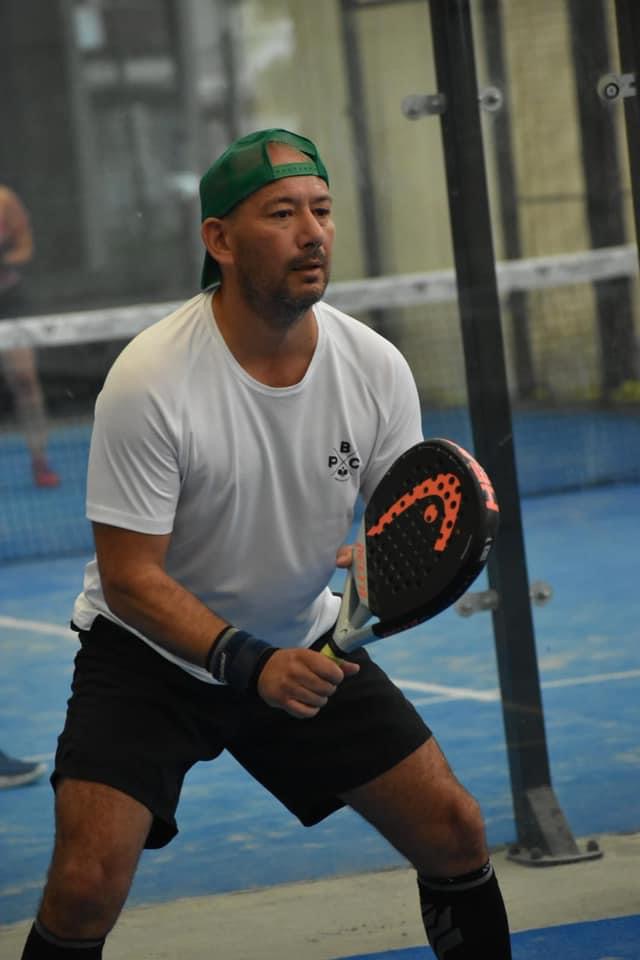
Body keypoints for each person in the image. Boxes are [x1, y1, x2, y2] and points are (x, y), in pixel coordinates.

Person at [20, 129, 511, 959]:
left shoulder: (374, 366)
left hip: (304, 639)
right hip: (148, 659)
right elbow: (130, 578)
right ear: (219, 239)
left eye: (321, 210)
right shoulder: (150, 380)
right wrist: (249, 663)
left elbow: (399, 515)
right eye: (282, 214)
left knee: (455, 830)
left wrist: (374, 556)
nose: (312, 233)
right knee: (83, 888)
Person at [0, 184, 59, 488]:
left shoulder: (5, 200)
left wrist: (5, 258)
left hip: (8, 300)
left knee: (24, 381)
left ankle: (40, 459)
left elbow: (25, 247)